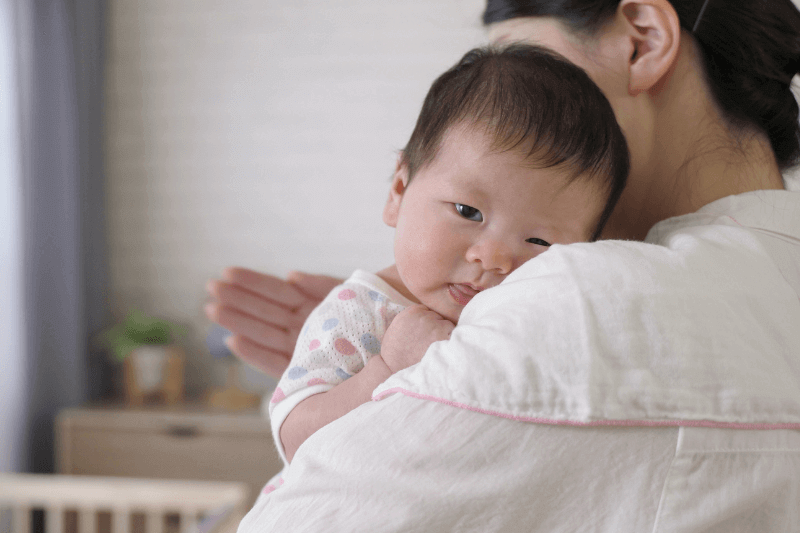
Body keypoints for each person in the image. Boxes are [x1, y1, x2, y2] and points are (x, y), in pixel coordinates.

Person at [206, 0, 800, 530]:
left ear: (641, 38)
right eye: (467, 210)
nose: (491, 256)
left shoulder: (584, 301)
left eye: (534, 70)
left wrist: (401, 388)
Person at [267, 45, 629, 474]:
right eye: (467, 212)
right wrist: (387, 367)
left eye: (538, 239)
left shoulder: (531, 324)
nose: (493, 258)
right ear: (398, 193)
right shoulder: (360, 313)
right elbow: (294, 440)